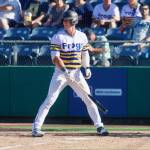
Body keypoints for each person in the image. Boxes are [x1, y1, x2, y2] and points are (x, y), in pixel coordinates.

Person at [32, 10, 109, 137]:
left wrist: (87, 68)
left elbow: (84, 53)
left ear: (73, 22)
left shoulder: (82, 36)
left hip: (77, 73)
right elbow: (56, 58)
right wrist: (64, 70)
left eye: (67, 20)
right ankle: (36, 127)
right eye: (64, 20)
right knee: (50, 100)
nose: (64, 22)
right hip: (60, 73)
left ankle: (99, 126)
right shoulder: (58, 37)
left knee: (89, 99)